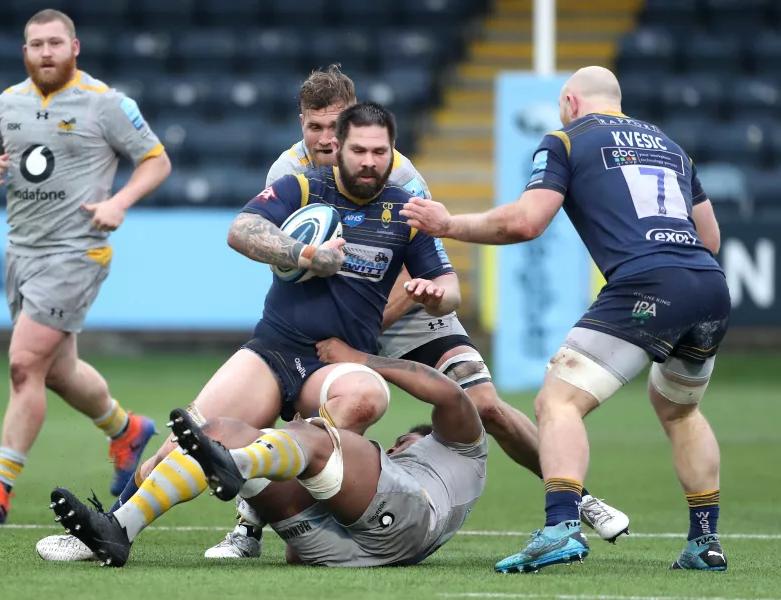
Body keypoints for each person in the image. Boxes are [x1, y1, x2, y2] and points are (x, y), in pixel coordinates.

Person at [204, 64, 628, 561]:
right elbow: (283, 258)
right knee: (316, 409)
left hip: (406, 302)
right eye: (313, 126)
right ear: (302, 124)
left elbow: (419, 265)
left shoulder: (397, 174)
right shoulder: (286, 174)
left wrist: (362, 342)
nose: (324, 138)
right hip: (338, 308)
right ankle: (251, 527)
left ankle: (576, 497)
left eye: (334, 125)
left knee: (484, 406)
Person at [36, 101, 461, 560]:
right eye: (359, 150)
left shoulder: (407, 211)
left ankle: (282, 519)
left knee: (367, 395)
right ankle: (114, 529)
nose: (369, 161)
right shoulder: (302, 186)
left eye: (380, 152)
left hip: (337, 358)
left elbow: (450, 285)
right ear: (340, 147)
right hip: (275, 349)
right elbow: (240, 229)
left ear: (392, 151)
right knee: (189, 438)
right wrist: (306, 254)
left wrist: (436, 293)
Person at [401, 66, 729, 573]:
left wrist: (448, 224)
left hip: (647, 284)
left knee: (557, 401)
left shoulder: (567, 139)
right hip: (708, 285)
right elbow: (710, 238)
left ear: (570, 101)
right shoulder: (670, 146)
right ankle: (705, 543)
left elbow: (525, 221)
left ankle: (561, 528)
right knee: (680, 410)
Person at [0, 9, 171, 524]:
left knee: (24, 364)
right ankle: (126, 429)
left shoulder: (106, 104)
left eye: (54, 43)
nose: (45, 53)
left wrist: (119, 202)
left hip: (76, 253)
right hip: (20, 252)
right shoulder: (6, 104)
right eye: (35, 45)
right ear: (24, 52)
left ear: (75, 47)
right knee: (57, 371)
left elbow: (157, 160)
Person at [48, 337, 488, 568]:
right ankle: (119, 530)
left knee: (315, 435)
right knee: (218, 431)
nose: (394, 448)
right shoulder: (379, 475)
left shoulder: (462, 450)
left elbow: (449, 395)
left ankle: (234, 467)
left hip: (412, 523)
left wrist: (360, 359)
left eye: (404, 444)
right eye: (397, 446)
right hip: (335, 551)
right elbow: (296, 553)